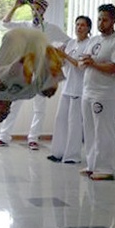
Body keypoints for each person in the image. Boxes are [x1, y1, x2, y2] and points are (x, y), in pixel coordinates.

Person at [0, 0, 70, 150]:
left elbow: (69, 41)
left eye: (38, 9)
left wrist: (57, 53)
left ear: (43, 11)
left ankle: (33, 138)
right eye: (33, 9)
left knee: (39, 108)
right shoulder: (25, 25)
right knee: (13, 103)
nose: (35, 12)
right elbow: (5, 23)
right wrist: (15, 6)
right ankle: (4, 137)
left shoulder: (51, 28)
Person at [79, 4, 115, 180]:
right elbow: (84, 61)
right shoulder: (94, 40)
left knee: (104, 130)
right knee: (90, 130)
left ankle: (106, 168)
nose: (101, 23)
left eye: (105, 20)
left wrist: (94, 64)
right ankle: (92, 164)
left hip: (104, 93)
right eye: (99, 19)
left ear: (114, 20)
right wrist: (86, 62)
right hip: (88, 90)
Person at [0, 27, 65, 126]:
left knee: (3, 79)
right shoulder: (28, 94)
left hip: (15, 38)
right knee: (47, 88)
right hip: (37, 40)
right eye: (3, 117)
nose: (2, 115)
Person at [47, 15, 92, 164]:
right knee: (60, 120)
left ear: (88, 28)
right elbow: (64, 63)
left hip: (79, 89)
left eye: (83, 25)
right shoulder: (71, 43)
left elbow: (81, 65)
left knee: (74, 123)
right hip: (67, 87)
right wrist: (57, 56)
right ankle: (58, 152)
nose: (79, 27)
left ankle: (72, 155)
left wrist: (64, 55)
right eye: (77, 24)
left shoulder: (89, 44)